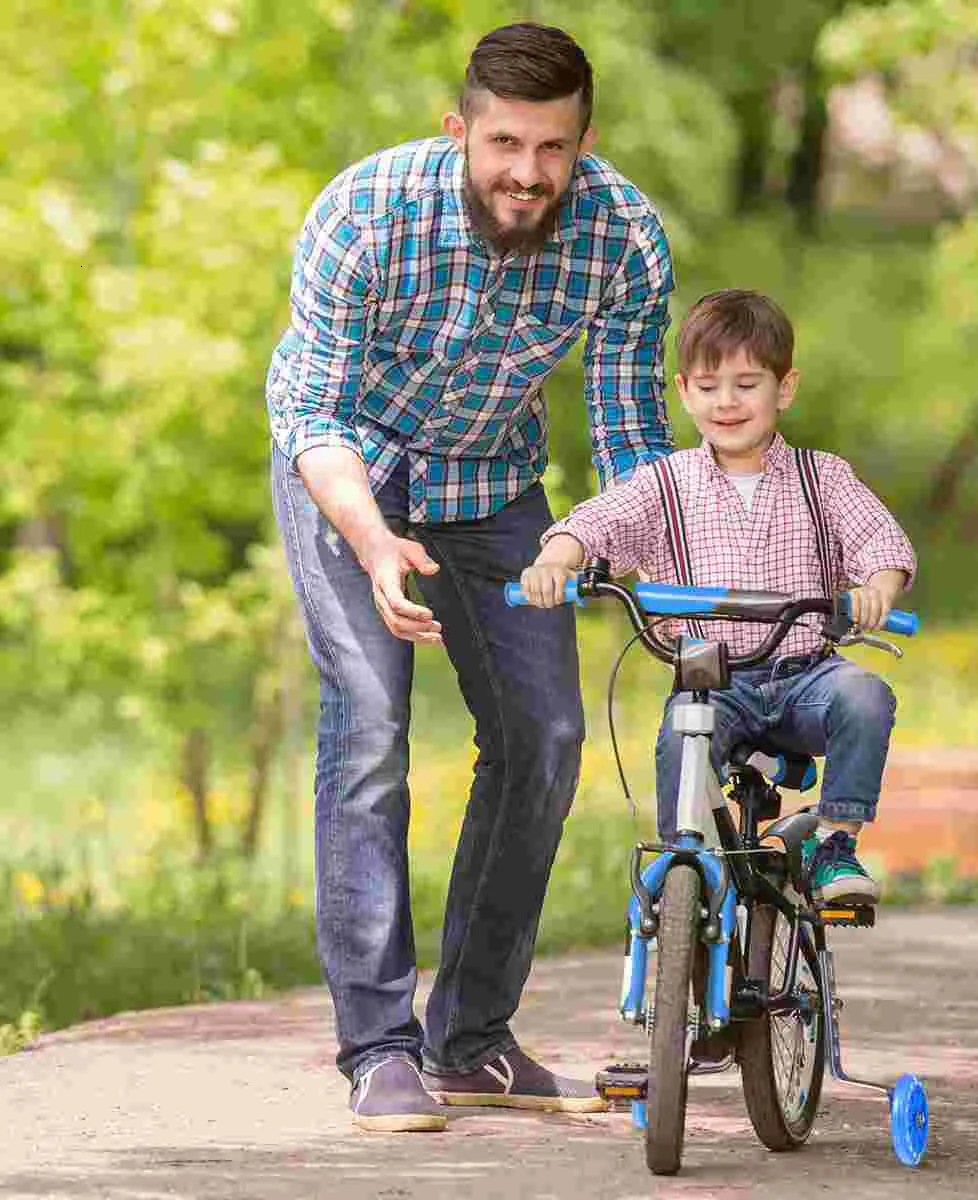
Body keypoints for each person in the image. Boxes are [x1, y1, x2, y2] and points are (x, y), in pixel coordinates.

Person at [266, 23, 674, 1133]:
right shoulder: (364, 213)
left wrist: (641, 554)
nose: (526, 173)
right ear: (461, 131)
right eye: (503, 143)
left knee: (544, 737)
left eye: (552, 148)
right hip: (354, 467)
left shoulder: (625, 237)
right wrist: (369, 537)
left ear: (584, 143)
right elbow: (310, 410)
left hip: (495, 484)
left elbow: (628, 428)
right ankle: (379, 1048)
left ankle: (472, 1041)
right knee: (369, 732)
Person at [520, 289, 916, 904]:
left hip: (806, 676)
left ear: (784, 389)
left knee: (865, 696)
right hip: (714, 683)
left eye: (746, 384)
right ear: (684, 391)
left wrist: (875, 590)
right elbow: (599, 522)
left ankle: (834, 843)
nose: (726, 402)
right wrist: (556, 560)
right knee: (683, 731)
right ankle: (687, 868)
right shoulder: (665, 484)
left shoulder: (823, 478)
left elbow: (881, 545)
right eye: (708, 387)